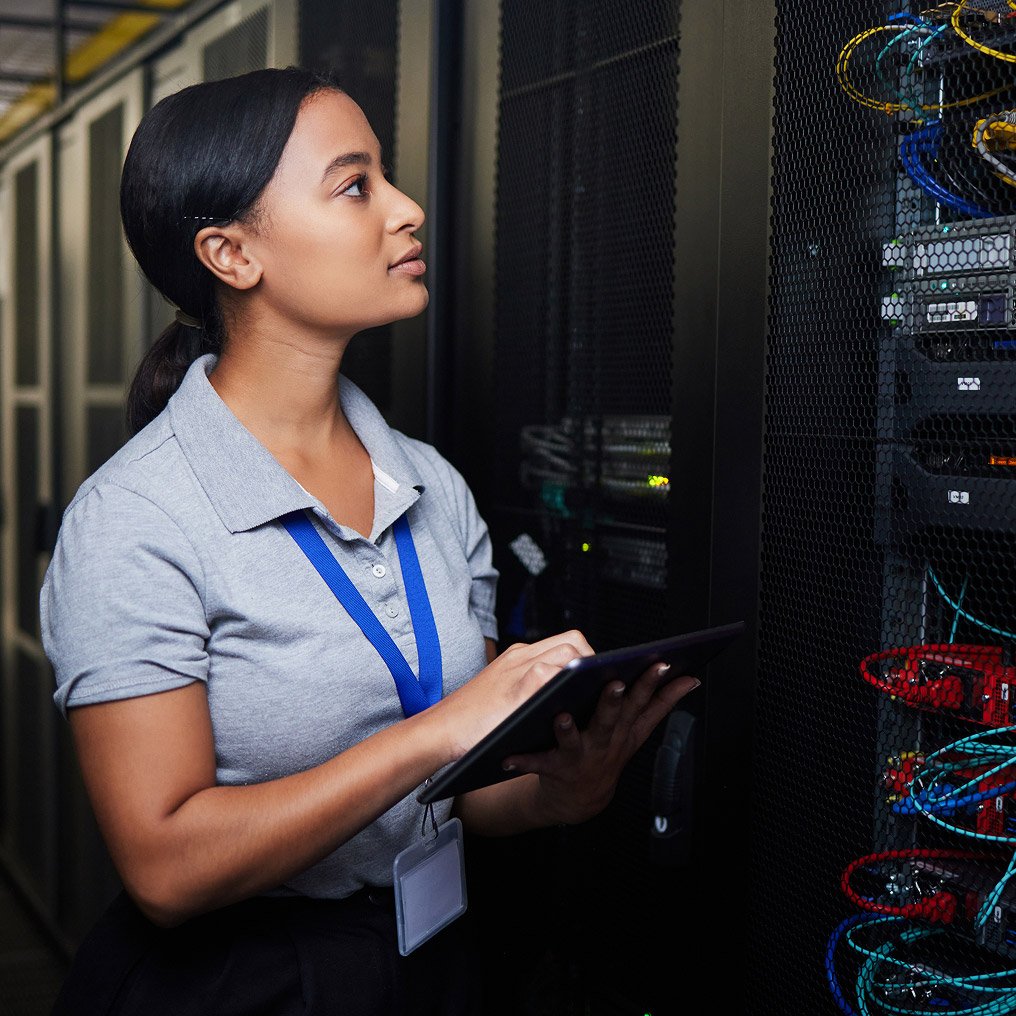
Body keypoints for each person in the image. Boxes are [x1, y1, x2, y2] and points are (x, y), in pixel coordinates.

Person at [39, 66, 700, 1015]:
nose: (407, 209)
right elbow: (166, 867)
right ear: (231, 254)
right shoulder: (137, 517)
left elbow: (458, 788)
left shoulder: (431, 484)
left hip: (427, 958)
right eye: (355, 186)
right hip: (241, 983)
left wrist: (559, 795)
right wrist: (432, 732)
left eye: (385, 177)